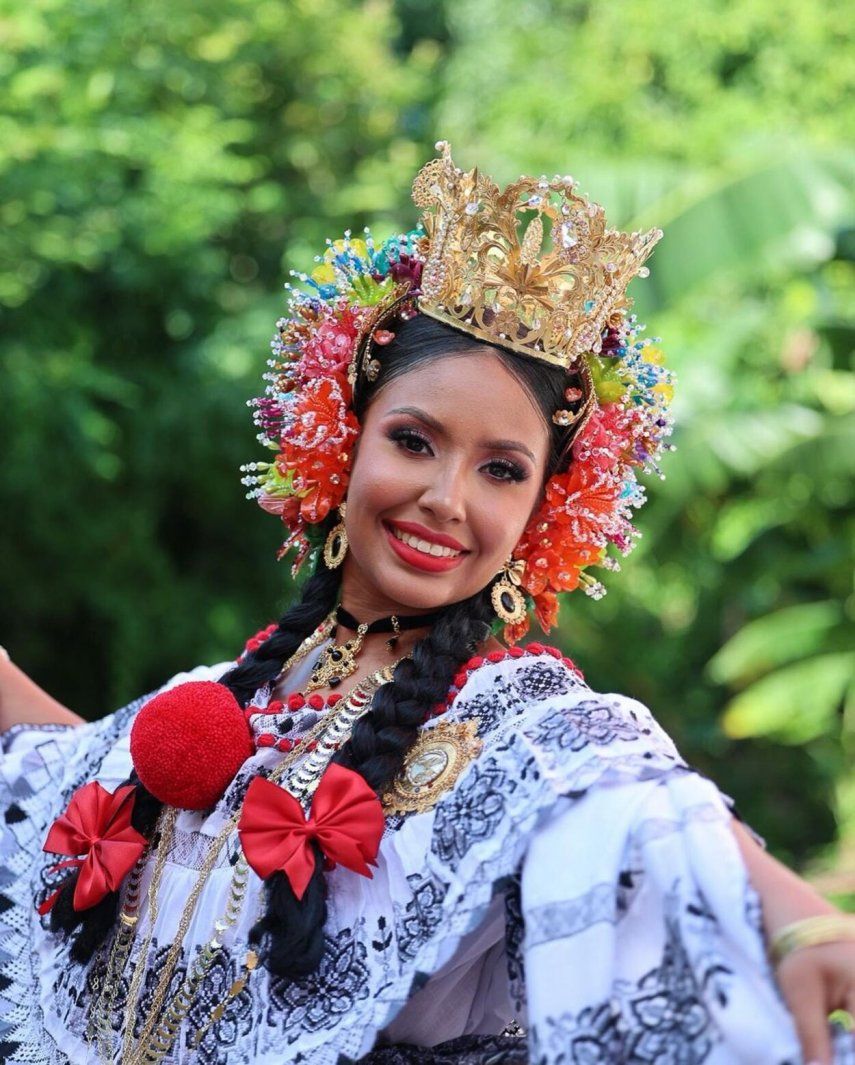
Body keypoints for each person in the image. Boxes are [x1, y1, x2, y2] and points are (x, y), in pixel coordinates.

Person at [1, 141, 853, 1065]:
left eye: (500, 470)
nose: (448, 497)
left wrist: (799, 916)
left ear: (543, 512)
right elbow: (60, 767)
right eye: (413, 441)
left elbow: (646, 810)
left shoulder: (518, 720)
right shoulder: (228, 694)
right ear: (341, 441)